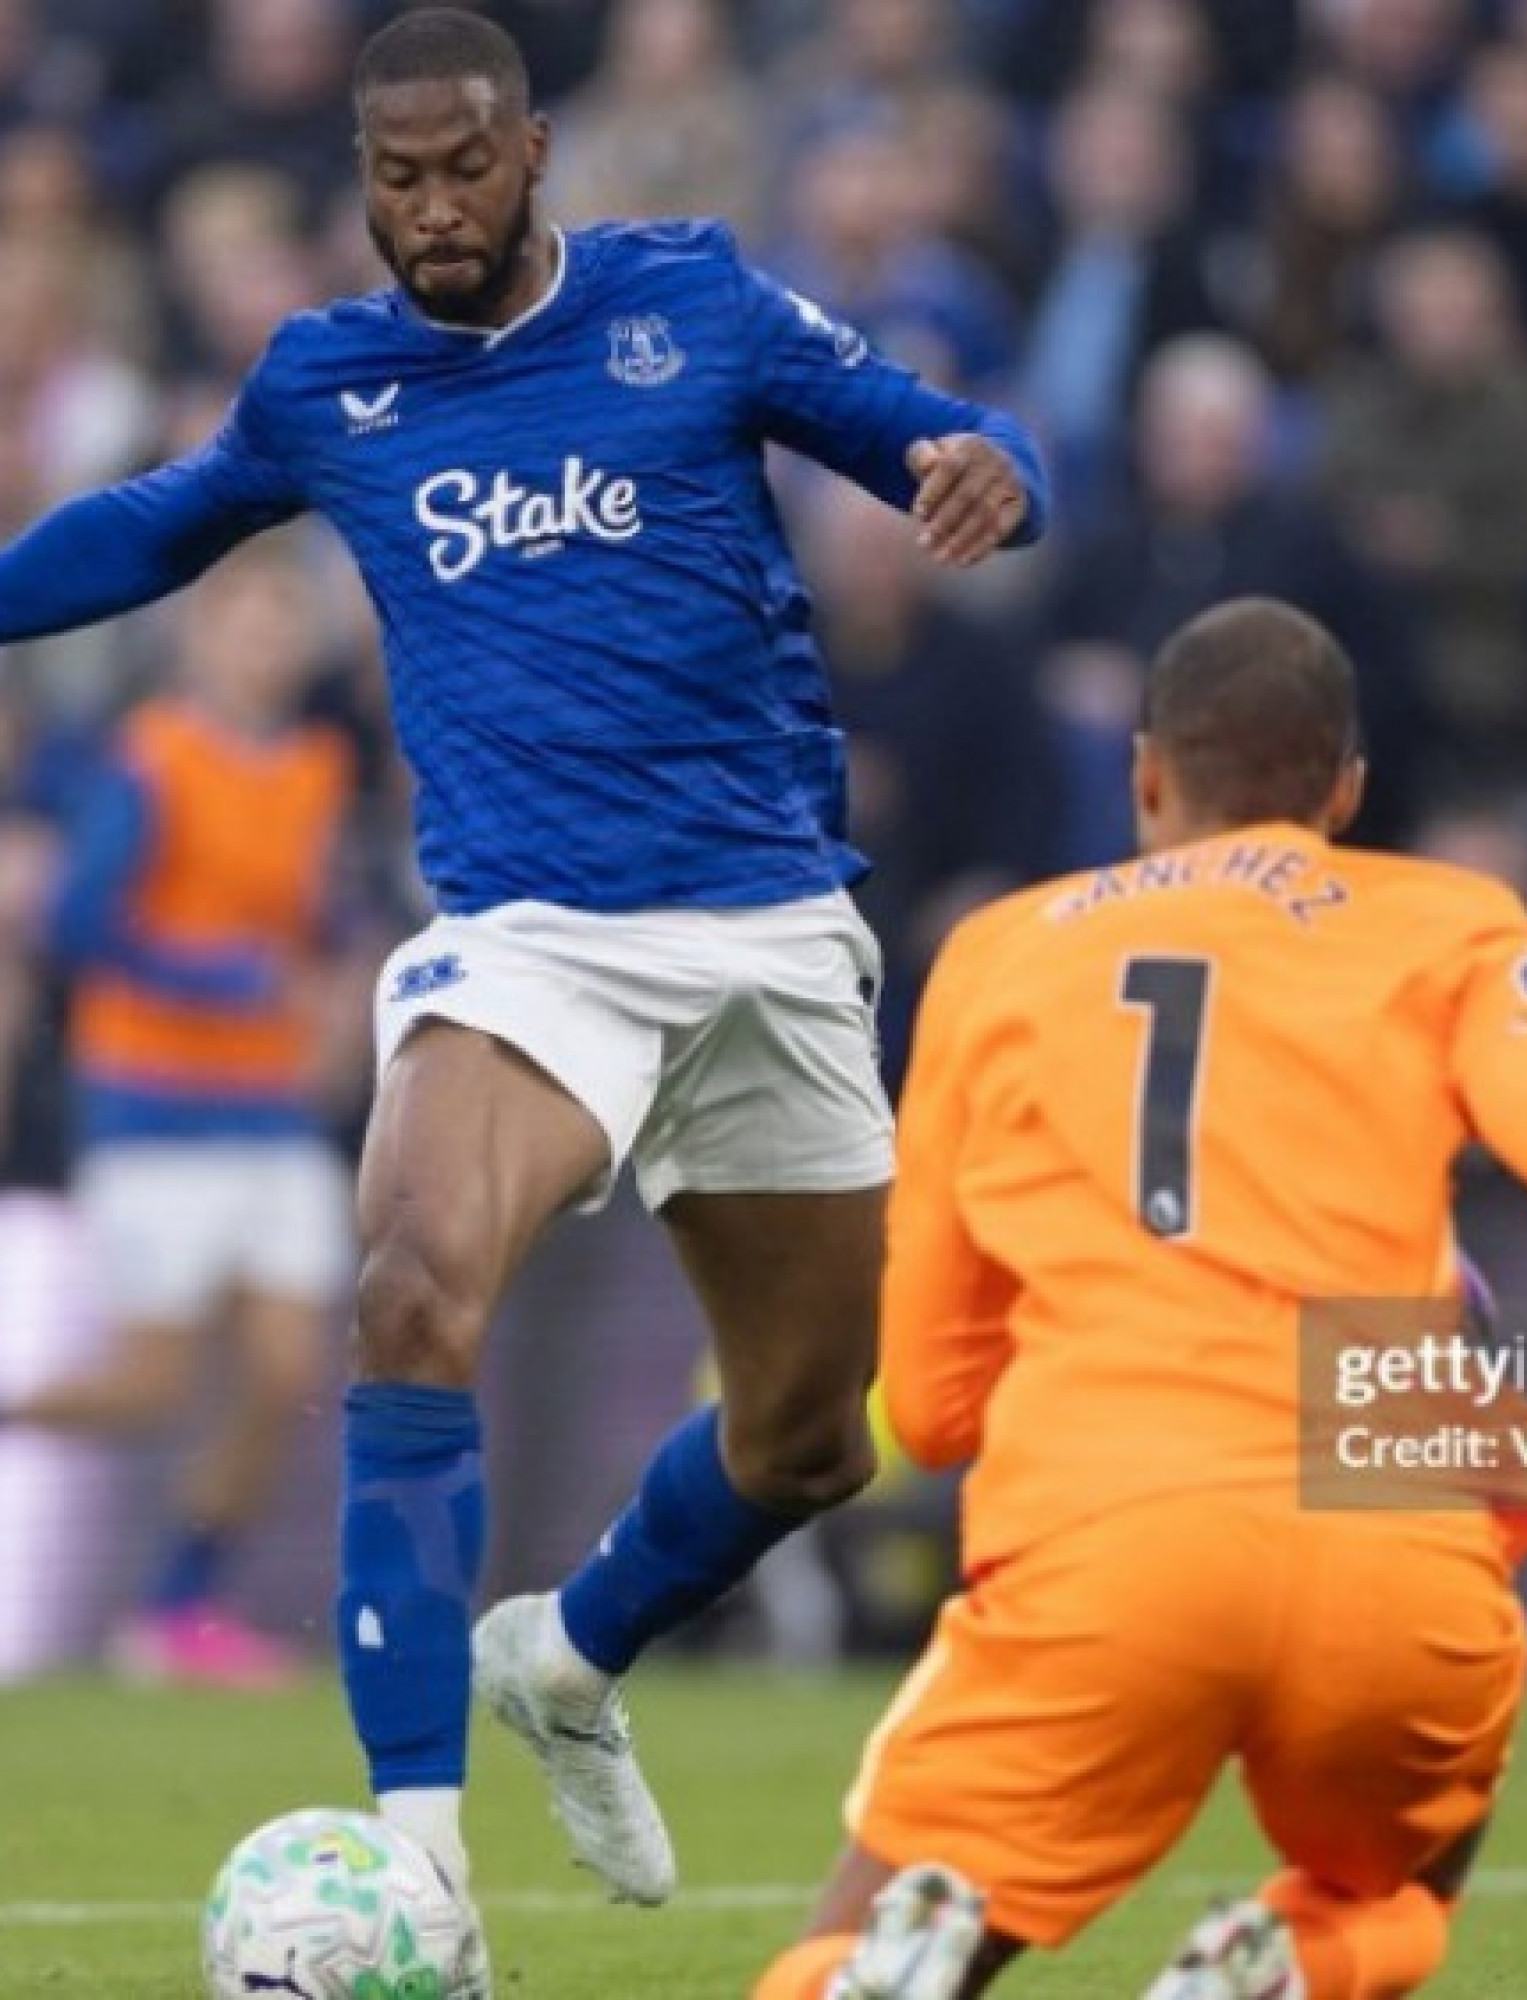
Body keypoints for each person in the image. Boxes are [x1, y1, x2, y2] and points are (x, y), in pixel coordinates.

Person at [0, 0, 1046, 1943]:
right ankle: (423, 1864)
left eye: (464, 167)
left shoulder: (694, 306)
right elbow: (154, 527)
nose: (432, 208)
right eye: (395, 179)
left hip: (769, 927)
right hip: (530, 939)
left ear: (535, 148)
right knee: (410, 1285)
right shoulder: (331, 383)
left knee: (814, 1431)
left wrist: (989, 465)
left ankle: (567, 1654)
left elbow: (936, 438)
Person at [753, 597, 1527, 2000]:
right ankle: (1298, 1962)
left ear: (1144, 775)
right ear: (1348, 791)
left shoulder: (996, 955)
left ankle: (900, 1967)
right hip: (1389, 1533)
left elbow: (938, 1407)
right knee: (1406, 1877)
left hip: (1109, 1536)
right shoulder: (1450, 919)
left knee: (871, 1924)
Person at [0, 540, 356, 1689]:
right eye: (248, 620)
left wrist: (330, 998)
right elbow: (79, 922)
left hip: (266, 1108)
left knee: (289, 1363)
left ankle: (177, 1604)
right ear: (202, 637)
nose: (269, 642)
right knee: (150, 1384)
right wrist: (216, 977)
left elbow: (318, 920)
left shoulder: (315, 765)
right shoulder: (153, 759)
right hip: (154, 1104)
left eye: (284, 622)